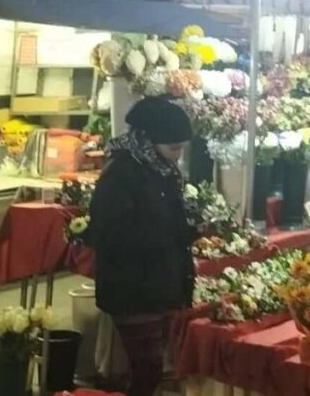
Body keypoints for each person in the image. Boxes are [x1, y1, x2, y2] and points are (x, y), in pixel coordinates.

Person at [89, 97, 195, 396]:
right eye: (173, 148)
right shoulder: (120, 175)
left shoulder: (161, 171)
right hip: (132, 288)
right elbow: (109, 234)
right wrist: (170, 236)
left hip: (159, 285)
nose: (178, 156)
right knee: (146, 370)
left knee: (152, 370)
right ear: (148, 140)